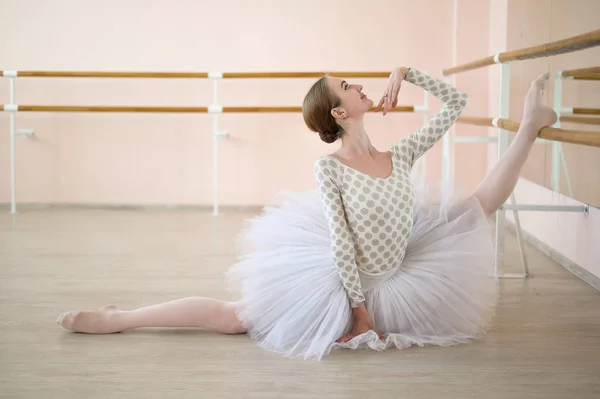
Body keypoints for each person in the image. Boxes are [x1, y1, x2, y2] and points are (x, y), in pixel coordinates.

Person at [57, 66, 557, 361]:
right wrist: (359, 310)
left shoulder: (399, 154)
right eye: (349, 86)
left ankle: (530, 126)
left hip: (402, 265)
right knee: (237, 319)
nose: (361, 86)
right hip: (344, 279)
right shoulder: (330, 169)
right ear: (340, 113)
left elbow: (456, 102)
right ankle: (122, 319)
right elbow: (341, 243)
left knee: (475, 209)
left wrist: (406, 72)